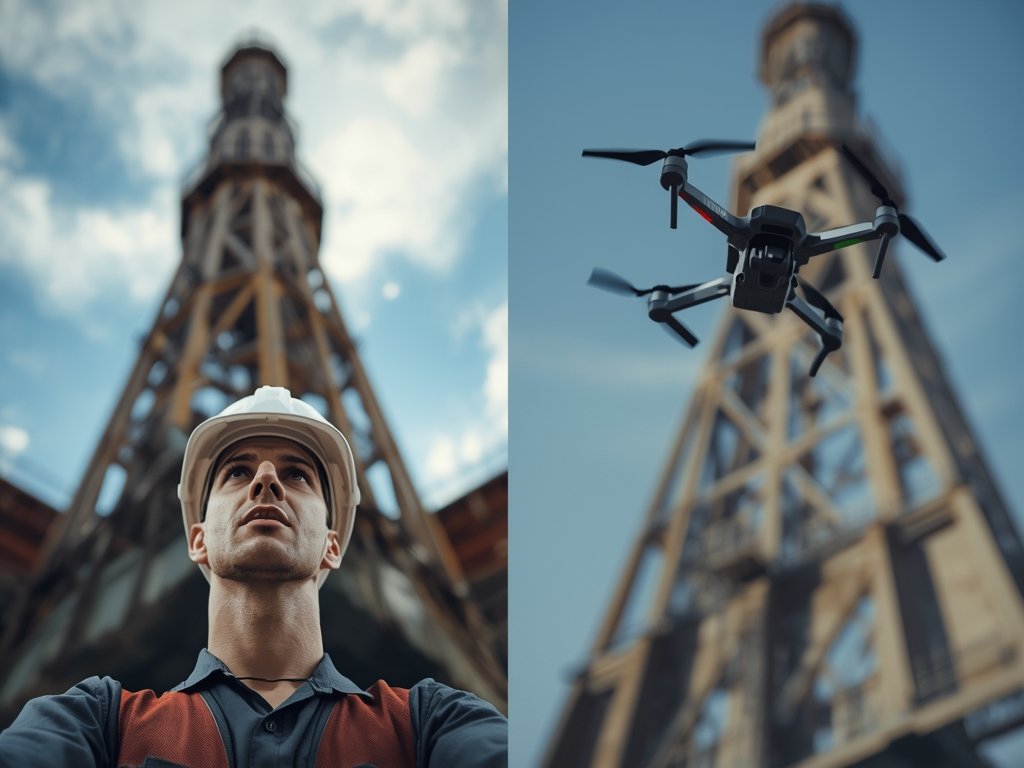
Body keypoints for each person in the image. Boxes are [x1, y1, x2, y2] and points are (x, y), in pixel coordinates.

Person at [0, 386, 507, 767]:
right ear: (197, 539)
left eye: (298, 475)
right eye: (238, 472)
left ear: (333, 546)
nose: (266, 480)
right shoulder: (94, 721)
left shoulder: (431, 723)